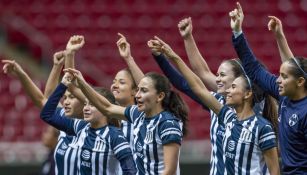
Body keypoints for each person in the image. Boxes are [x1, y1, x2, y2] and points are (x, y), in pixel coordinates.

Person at [149, 17, 277, 175]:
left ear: (241, 81)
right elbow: (193, 80)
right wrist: (184, 41)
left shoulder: (256, 114)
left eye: (222, 75)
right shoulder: (218, 103)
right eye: (217, 75)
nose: (217, 79)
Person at [64, 67, 188, 175]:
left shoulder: (168, 124)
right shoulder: (138, 114)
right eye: (138, 90)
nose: (138, 95)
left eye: (143, 91)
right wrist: (82, 83)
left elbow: (169, 171)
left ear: (160, 96)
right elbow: (107, 108)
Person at [230, 2, 307, 174]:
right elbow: (255, 69)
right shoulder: (286, 96)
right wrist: (238, 32)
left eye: (284, 77)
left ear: (300, 82)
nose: (278, 80)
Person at [40, 73, 137, 175]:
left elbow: (130, 171)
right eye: (85, 104)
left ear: (103, 109)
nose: (86, 108)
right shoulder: (80, 126)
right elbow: (47, 115)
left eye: (92, 105)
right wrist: (63, 85)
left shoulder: (115, 136)